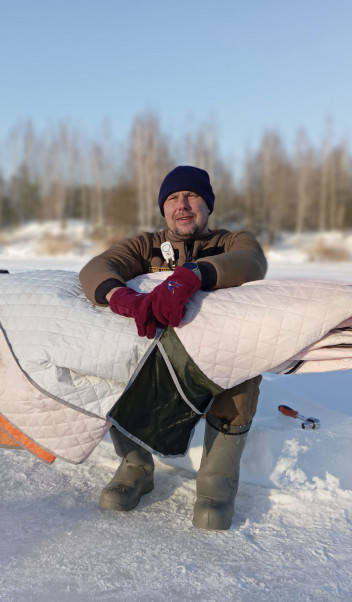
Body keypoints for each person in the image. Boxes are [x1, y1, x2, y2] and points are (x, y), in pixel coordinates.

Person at [79, 165, 267, 530]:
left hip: (217, 357)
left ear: (208, 205)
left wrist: (192, 275)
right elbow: (96, 268)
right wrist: (120, 297)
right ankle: (136, 467)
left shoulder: (231, 241)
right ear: (163, 209)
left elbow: (252, 261)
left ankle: (215, 486)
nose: (182, 205)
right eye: (172, 198)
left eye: (192, 196)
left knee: (244, 370)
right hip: (156, 359)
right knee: (114, 361)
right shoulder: (145, 245)